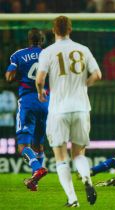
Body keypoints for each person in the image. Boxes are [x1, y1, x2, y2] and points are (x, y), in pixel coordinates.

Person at [36, 16, 102, 207]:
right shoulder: (83, 49)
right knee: (79, 154)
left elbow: (40, 80)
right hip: (81, 107)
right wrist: (84, 85)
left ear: (53, 30)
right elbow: (97, 74)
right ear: (70, 29)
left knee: (60, 156)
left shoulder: (48, 52)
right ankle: (87, 180)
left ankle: (73, 199)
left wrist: (41, 93)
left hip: (59, 109)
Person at [5, 28, 48, 191]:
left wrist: (17, 75)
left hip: (28, 100)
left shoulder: (18, 54)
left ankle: (37, 168)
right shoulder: (48, 54)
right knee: (38, 144)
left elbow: (9, 77)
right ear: (42, 40)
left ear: (28, 40)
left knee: (23, 145)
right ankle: (34, 181)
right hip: (45, 101)